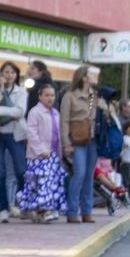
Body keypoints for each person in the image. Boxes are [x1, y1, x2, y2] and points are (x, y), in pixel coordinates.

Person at [60, 65, 103, 224]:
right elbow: (63, 121)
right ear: (84, 77)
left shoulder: (96, 96)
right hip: (76, 139)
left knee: (89, 176)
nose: (96, 76)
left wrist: (106, 109)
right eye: (92, 74)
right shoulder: (69, 96)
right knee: (79, 173)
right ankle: (72, 211)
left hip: (92, 139)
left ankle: (87, 211)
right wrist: (66, 143)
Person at [0, 62, 28, 220]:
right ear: (0, 74)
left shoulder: (21, 92)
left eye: (12, 72)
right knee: (0, 173)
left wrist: (0, 111)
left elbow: (19, 112)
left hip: (15, 134)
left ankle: (22, 205)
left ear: (16, 75)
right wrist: (0, 92)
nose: (9, 75)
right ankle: (3, 208)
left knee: (21, 171)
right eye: (5, 72)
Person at [19, 81, 66, 223]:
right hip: (38, 155)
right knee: (39, 183)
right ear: (40, 97)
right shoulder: (35, 112)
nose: (50, 98)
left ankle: (44, 210)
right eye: (47, 95)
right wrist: (40, 150)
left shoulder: (56, 112)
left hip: (53, 155)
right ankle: (41, 210)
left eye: (52, 95)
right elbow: (31, 133)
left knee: (51, 182)